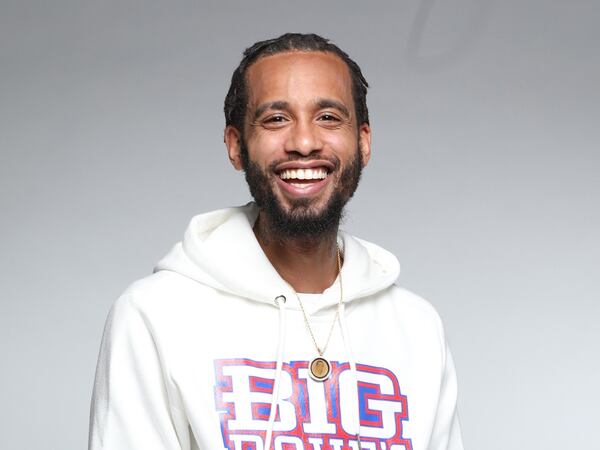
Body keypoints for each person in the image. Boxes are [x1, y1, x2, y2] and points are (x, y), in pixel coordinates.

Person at [88, 33, 464, 450]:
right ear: (236, 146)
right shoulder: (155, 315)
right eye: (276, 119)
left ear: (363, 142)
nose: (303, 143)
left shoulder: (416, 327)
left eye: (328, 117)